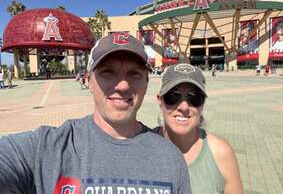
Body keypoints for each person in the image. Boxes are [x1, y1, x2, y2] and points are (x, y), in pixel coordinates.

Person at [0, 33, 191, 194]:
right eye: (108, 72)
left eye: (134, 74)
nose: (123, 85)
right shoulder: (48, 148)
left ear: (147, 82)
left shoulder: (171, 159)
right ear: (89, 81)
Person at [154, 63, 243, 194]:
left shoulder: (220, 153)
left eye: (194, 98)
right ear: (160, 100)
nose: (184, 107)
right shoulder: (142, 146)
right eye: (173, 96)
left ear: (203, 104)